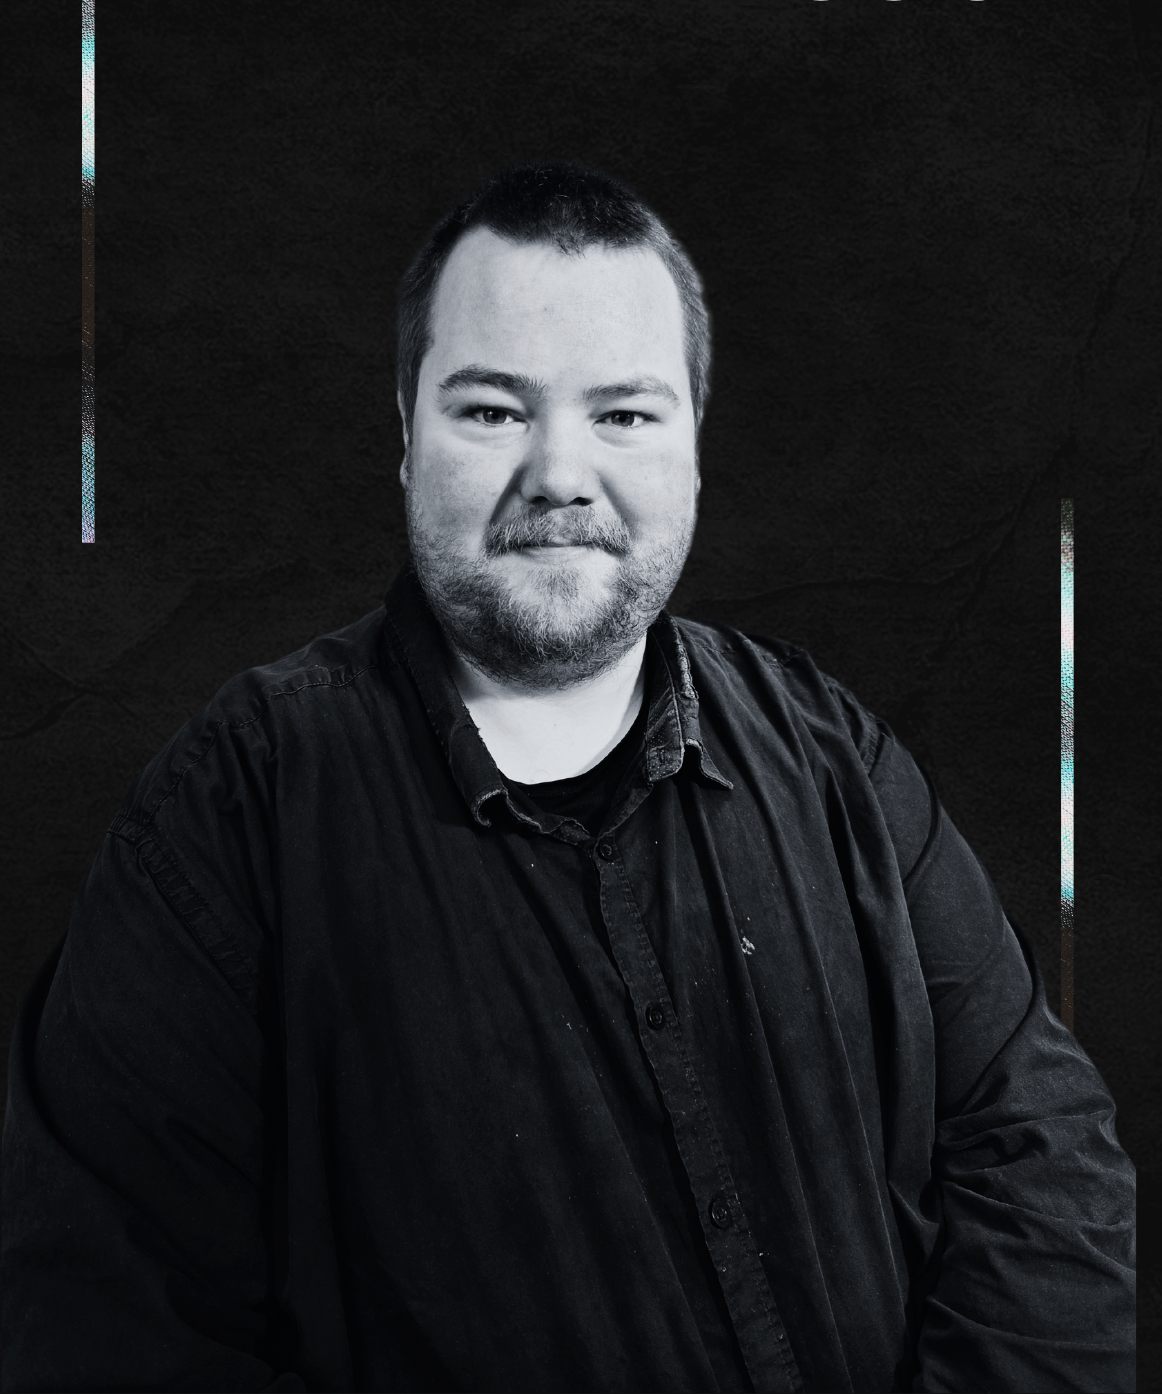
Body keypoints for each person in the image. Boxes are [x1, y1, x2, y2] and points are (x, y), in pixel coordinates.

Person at [2, 162, 1134, 1394]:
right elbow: (106, 1316)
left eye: (624, 414)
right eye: (493, 410)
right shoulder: (236, 805)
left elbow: (1042, 1147)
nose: (558, 471)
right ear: (405, 434)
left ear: (693, 448)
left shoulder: (829, 749)